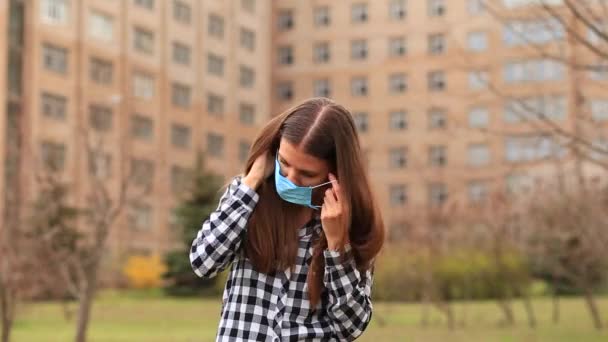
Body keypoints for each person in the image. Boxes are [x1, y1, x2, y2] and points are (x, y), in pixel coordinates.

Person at [190, 97, 385, 341]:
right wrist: (251, 182)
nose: (291, 179)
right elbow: (203, 262)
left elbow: (351, 326)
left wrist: (338, 246)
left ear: (335, 171)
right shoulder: (248, 199)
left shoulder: (354, 222)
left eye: (307, 173)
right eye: (284, 163)